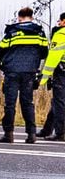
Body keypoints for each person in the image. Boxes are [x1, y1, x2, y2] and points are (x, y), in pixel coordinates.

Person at [0, 7, 49, 143]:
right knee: (27, 103)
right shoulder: (39, 33)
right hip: (30, 72)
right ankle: (31, 134)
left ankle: (8, 134)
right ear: (32, 17)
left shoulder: (12, 33)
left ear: (19, 18)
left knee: (10, 104)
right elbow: (44, 53)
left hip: (12, 71)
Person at [37, 12, 65, 140]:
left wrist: (43, 78)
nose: (58, 23)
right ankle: (47, 129)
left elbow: (53, 57)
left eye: (60, 20)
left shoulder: (60, 34)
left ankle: (60, 133)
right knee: (57, 102)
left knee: (59, 102)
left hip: (61, 72)